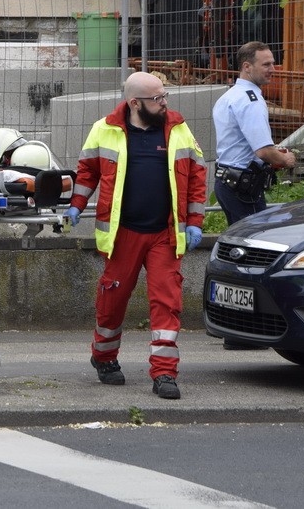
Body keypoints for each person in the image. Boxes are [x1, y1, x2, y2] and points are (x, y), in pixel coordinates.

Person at [65, 72, 207, 400]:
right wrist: (76, 204)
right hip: (123, 234)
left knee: (167, 302)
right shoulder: (105, 128)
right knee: (112, 301)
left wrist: (196, 221)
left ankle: (164, 373)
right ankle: (104, 357)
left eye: (164, 96)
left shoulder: (178, 128)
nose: (164, 103)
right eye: (157, 98)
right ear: (135, 103)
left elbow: (197, 175)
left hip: (165, 235)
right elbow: (88, 169)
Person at [212, 41, 297, 225]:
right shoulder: (251, 101)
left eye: (273, 63)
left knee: (237, 242)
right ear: (247, 67)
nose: (272, 69)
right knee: (254, 243)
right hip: (243, 186)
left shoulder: (230, 96)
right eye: (266, 64)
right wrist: (285, 159)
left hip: (227, 182)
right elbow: (264, 151)